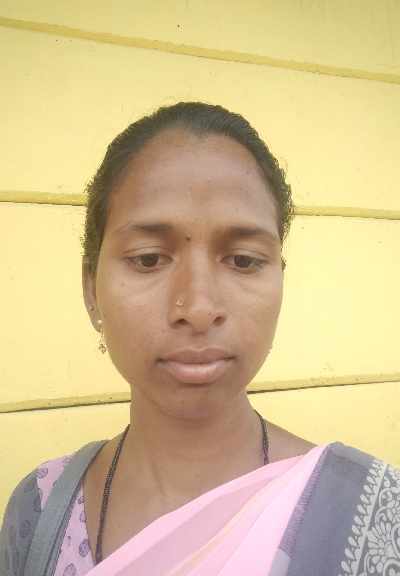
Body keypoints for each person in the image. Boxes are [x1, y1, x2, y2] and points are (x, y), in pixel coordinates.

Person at [0, 102, 399, 576]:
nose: (199, 307)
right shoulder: (40, 512)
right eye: (148, 258)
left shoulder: (373, 515)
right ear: (91, 290)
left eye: (243, 260)